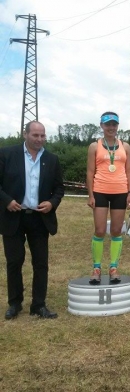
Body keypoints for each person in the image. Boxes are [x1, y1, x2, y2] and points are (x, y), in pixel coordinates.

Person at [0, 121, 64, 320]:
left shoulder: (52, 160)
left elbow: (59, 189)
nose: (39, 139)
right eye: (35, 135)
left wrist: (52, 203)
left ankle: (38, 304)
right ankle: (15, 303)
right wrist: (7, 200)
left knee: (41, 263)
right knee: (14, 261)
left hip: (39, 218)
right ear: (25, 134)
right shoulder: (7, 154)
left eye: (43, 135)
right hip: (13, 217)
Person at [86, 112, 130, 284]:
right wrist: (90, 194)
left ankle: (113, 267)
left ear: (117, 126)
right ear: (102, 126)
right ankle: (96, 268)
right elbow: (90, 172)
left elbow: (129, 171)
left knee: (116, 231)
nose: (111, 128)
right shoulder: (94, 146)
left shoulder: (125, 146)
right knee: (99, 231)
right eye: (108, 125)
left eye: (114, 124)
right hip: (100, 191)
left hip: (120, 191)